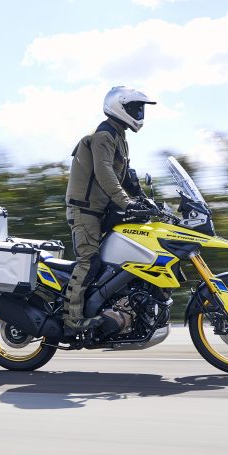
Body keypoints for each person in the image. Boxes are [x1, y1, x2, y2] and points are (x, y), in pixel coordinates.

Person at [63, 85, 156, 332]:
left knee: (117, 259)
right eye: (135, 108)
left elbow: (126, 177)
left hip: (99, 209)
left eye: (141, 109)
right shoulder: (104, 135)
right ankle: (72, 320)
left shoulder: (119, 136)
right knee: (89, 261)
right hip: (85, 210)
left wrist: (145, 201)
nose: (140, 113)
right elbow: (105, 174)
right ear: (119, 107)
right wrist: (128, 203)